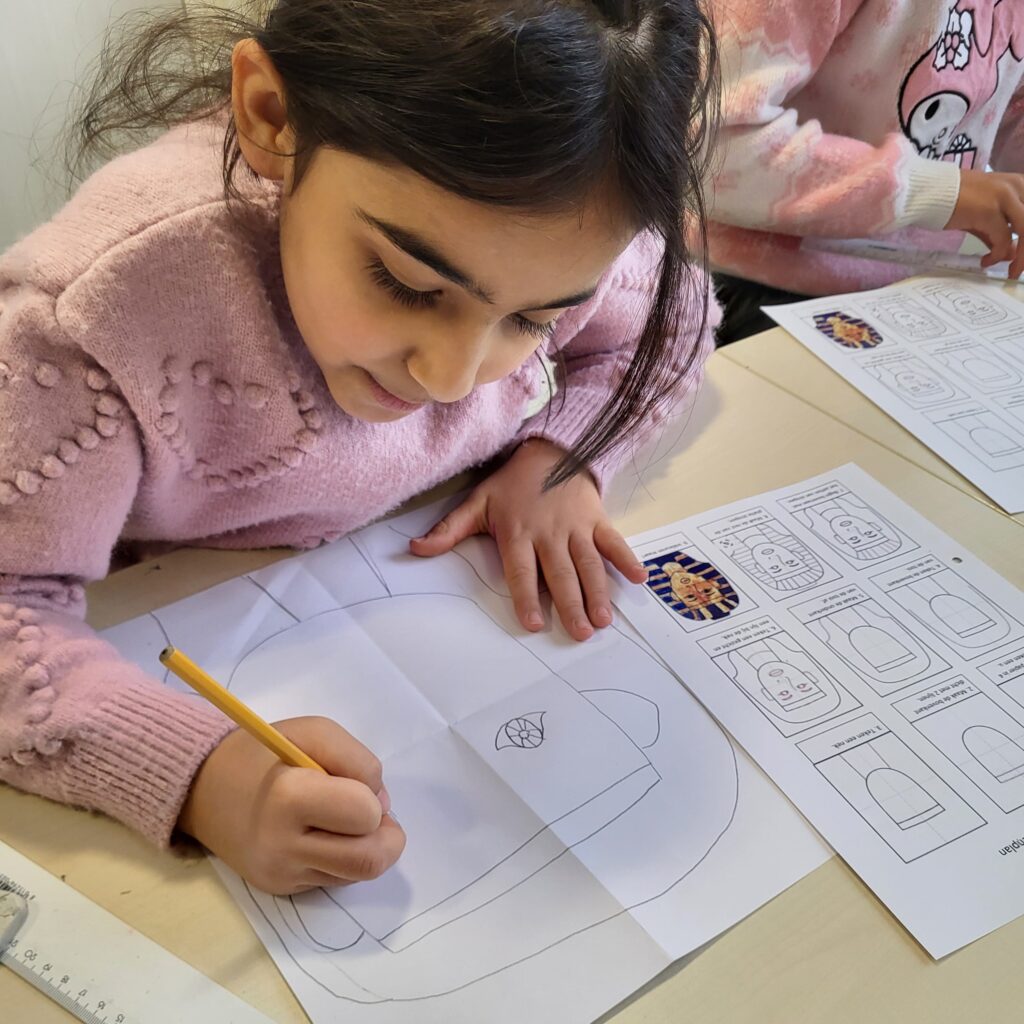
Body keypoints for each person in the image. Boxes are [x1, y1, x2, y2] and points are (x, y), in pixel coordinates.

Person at [0, 0, 719, 894]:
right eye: (407, 283)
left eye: (534, 321)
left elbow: (676, 316)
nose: (454, 378)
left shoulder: (556, 228)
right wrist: (202, 775)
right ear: (270, 114)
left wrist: (561, 458)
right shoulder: (91, 321)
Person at [708, 0, 1024, 343]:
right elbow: (716, 149)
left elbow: (1009, 102)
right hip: (757, 278)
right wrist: (931, 192)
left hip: (929, 279)